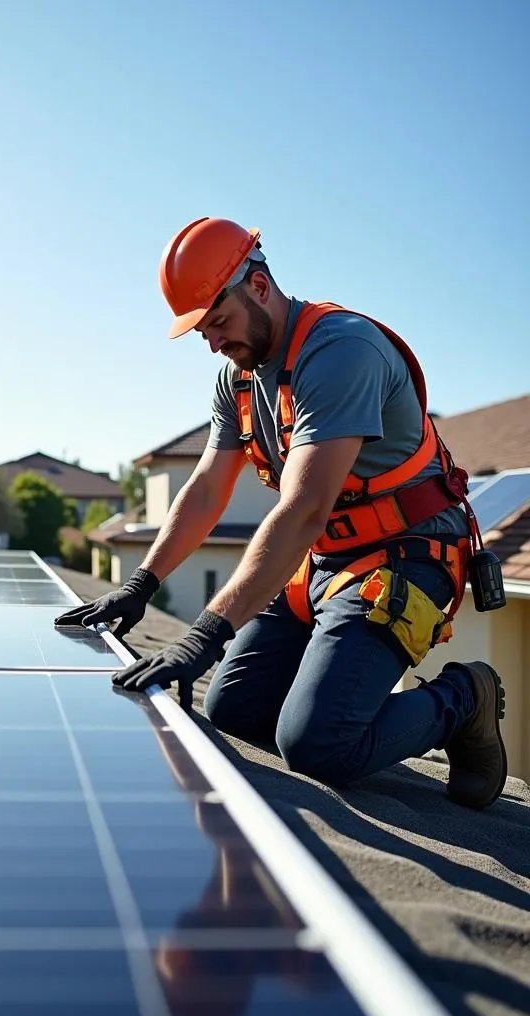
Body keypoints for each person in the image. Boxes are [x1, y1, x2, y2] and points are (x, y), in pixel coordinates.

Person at [56, 217, 508, 810]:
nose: (214, 343)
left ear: (260, 286)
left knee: (317, 747)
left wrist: (206, 635)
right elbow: (205, 489)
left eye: (219, 322)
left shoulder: (341, 351)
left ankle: (463, 698)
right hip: (322, 563)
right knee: (233, 708)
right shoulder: (237, 379)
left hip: (404, 559)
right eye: (202, 333)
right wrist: (143, 582)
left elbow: (302, 510)